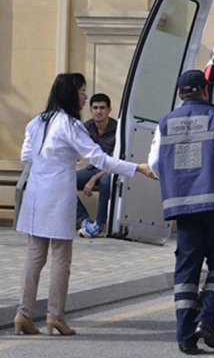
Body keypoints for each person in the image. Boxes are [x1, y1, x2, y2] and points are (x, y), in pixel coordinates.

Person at [14, 73, 154, 337]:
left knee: (34, 258)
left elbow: (25, 155)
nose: (85, 97)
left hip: (35, 194)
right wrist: (137, 167)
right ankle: (55, 316)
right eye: (82, 91)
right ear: (70, 94)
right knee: (61, 259)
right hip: (57, 195)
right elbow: (100, 159)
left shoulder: (36, 122)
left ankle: (23, 313)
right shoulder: (71, 125)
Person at [148, 69, 214, 355]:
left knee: (187, 269)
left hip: (183, 207)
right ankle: (206, 318)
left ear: (181, 94)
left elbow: (155, 162)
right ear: (206, 91)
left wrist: (173, 180)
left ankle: (185, 338)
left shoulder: (165, 122)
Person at [76, 93, 116, 238]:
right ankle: (84, 220)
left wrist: (93, 179)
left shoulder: (118, 129)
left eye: (102, 108)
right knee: (65, 180)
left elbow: (115, 161)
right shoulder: (86, 127)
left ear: (109, 110)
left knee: (106, 182)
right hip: (92, 169)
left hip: (111, 170)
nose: (98, 111)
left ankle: (99, 224)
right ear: (90, 110)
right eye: (95, 108)